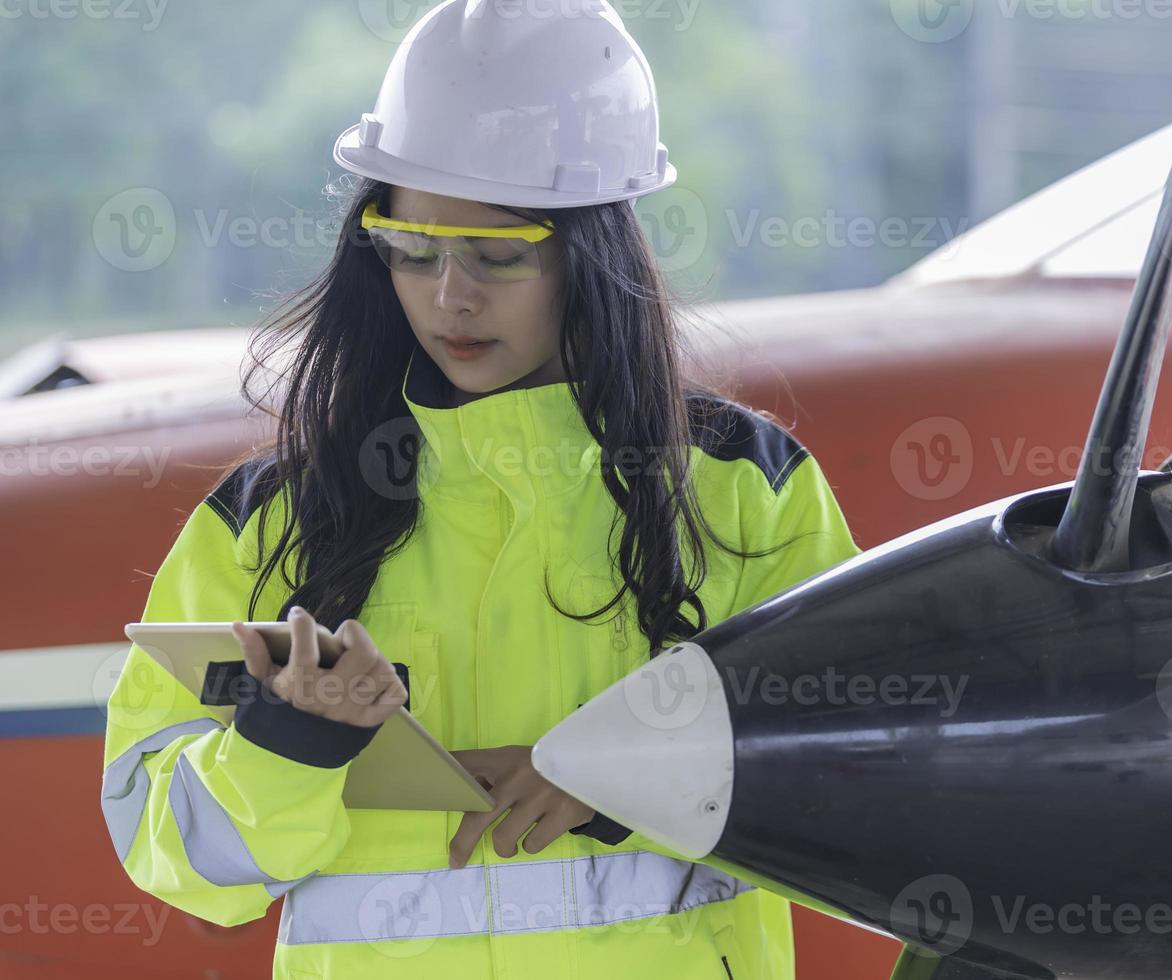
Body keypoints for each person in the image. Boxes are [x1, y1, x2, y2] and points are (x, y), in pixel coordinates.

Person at [100, 2, 861, 977]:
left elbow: (863, 782)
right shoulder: (271, 521)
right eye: (413, 250)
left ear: (596, 249)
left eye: (498, 255)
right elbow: (177, 857)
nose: (450, 294)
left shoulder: (744, 491)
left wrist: (635, 777)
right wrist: (285, 742)